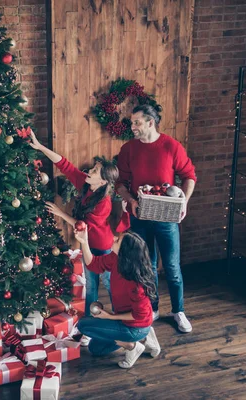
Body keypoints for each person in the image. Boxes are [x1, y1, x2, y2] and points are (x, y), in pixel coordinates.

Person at [28, 130, 118, 346]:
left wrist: (60, 213)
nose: (90, 171)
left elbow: (83, 226)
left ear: (104, 181)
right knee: (92, 288)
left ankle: (120, 322)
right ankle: (88, 328)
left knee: (112, 286)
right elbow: (64, 164)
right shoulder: (86, 185)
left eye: (95, 171)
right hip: (88, 246)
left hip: (103, 248)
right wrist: (39, 147)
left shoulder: (103, 202)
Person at [116, 104, 197, 333]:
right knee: (146, 266)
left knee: (171, 266)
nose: (132, 127)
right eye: (132, 123)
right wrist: (130, 200)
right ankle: (152, 308)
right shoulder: (128, 149)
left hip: (166, 219)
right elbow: (120, 183)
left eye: (137, 123)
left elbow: (189, 176)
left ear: (151, 122)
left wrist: (184, 201)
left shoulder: (172, 146)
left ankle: (178, 310)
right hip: (139, 217)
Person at [75, 228, 160, 369]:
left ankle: (132, 345)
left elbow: (140, 315)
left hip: (136, 326)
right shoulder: (116, 258)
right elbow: (93, 264)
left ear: (125, 251)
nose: (114, 238)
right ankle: (145, 338)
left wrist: (109, 316)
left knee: (83, 325)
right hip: (124, 320)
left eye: (118, 240)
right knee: (95, 349)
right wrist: (84, 241)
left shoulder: (136, 284)